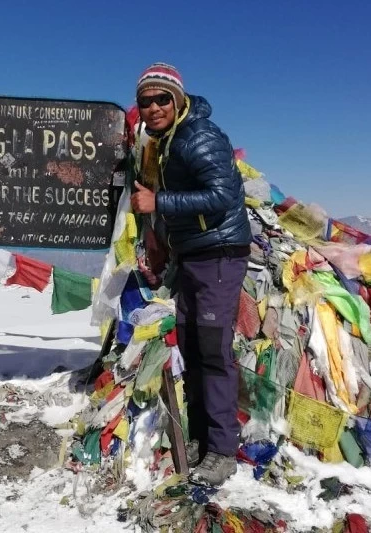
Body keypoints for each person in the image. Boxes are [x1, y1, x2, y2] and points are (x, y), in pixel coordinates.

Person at [129, 62, 252, 487]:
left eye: (162, 98)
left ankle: (222, 450)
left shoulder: (198, 135)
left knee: (214, 352)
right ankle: (201, 437)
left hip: (219, 255)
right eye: (146, 101)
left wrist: (158, 202)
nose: (154, 107)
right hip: (195, 256)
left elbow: (222, 195)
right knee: (195, 349)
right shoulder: (165, 141)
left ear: (178, 99)